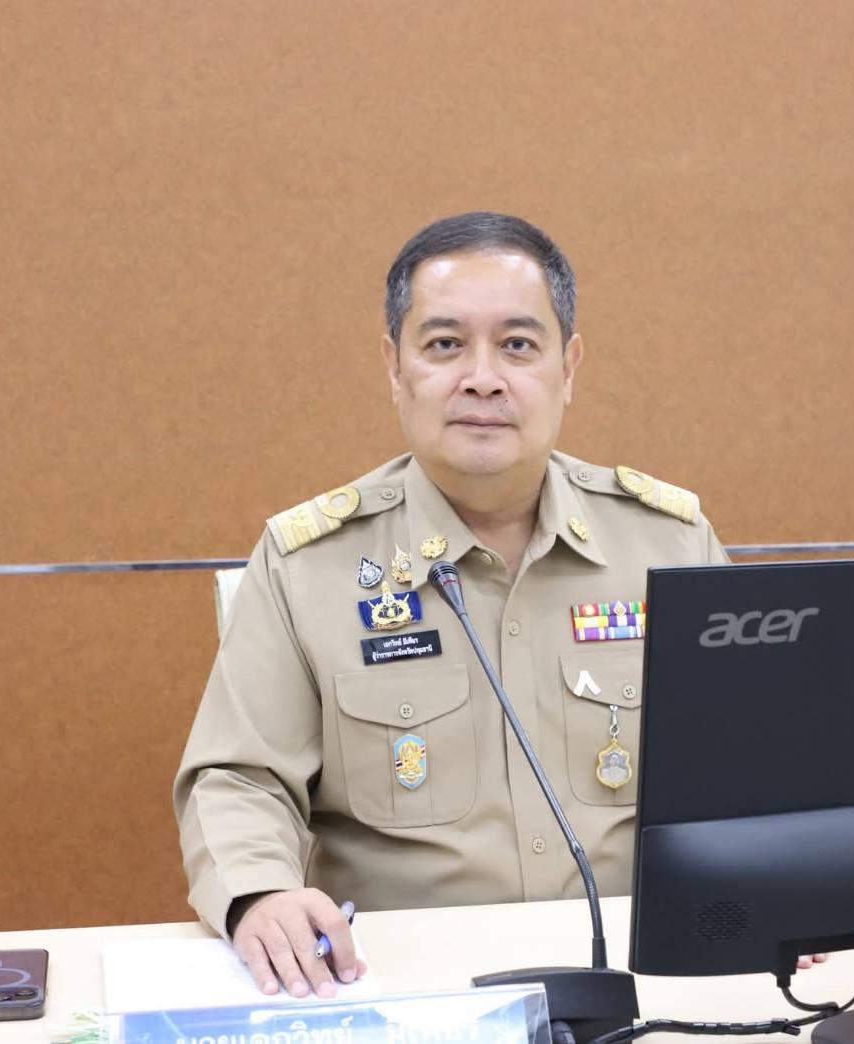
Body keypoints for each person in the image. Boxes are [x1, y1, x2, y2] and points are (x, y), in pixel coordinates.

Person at [174, 211, 797, 1001]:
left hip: (643, 970)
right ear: (394, 367)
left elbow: (755, 763)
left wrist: (774, 881)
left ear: (568, 368)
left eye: (518, 345)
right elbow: (239, 778)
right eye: (444, 345)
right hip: (405, 985)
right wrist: (261, 894)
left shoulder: (667, 543)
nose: (482, 378)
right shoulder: (309, 565)